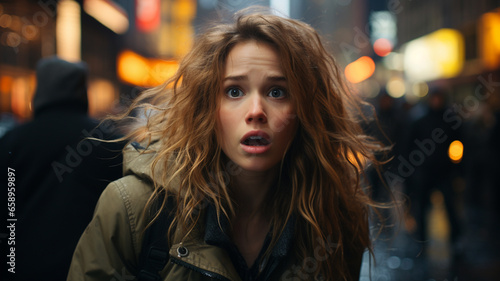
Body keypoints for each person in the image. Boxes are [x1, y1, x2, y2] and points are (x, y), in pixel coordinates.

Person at [67, 11, 386, 281]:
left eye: (277, 92)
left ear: (303, 111)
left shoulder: (336, 215)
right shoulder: (132, 208)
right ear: (208, 108)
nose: (256, 111)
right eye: (234, 92)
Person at [0, 56, 124, 281]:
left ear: (40, 91)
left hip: (22, 266)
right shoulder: (107, 141)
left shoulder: (13, 141)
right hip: (87, 267)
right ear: (82, 91)